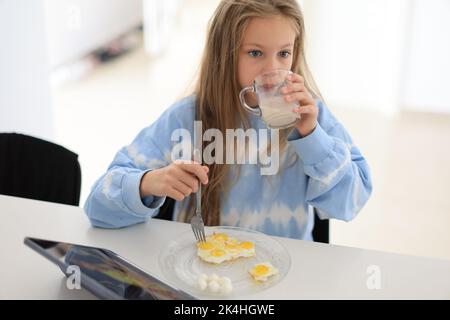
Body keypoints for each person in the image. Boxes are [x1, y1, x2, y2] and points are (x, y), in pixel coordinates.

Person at [84, 0, 372, 240]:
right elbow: (98, 207)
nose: (273, 69)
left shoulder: (312, 118)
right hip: (204, 272)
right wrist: (148, 182)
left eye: (284, 53)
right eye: (255, 53)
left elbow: (351, 204)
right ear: (225, 55)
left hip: (284, 276)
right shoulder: (186, 118)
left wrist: (313, 137)